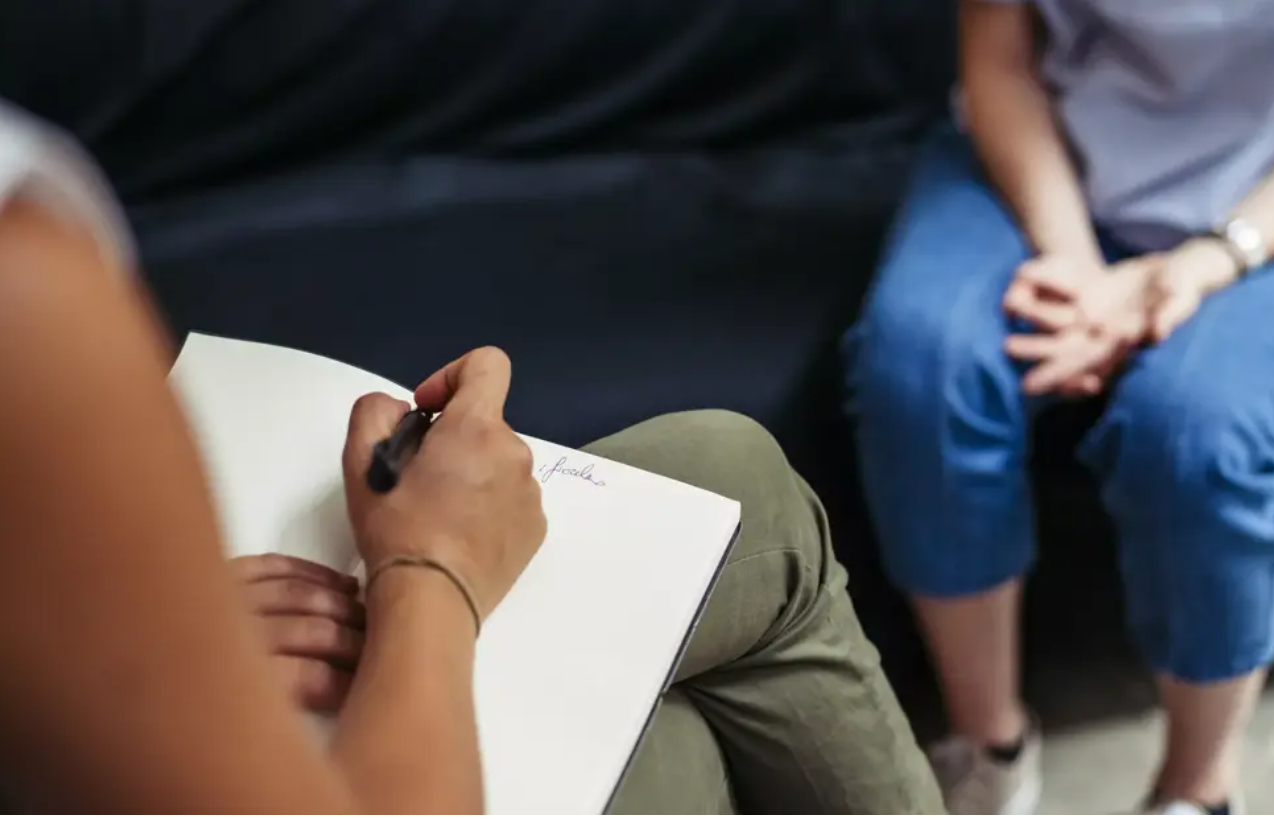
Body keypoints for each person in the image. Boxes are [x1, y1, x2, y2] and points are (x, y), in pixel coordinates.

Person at [0, 100, 943, 813]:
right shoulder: (25, 289)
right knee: (685, 718)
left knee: (728, 474)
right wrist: (430, 568)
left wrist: (129, 654)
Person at [847, 0, 1274, 814]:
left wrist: (1203, 263)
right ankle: (989, 747)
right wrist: (1079, 271)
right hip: (1040, 170)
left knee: (1196, 434)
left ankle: (1198, 791)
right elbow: (1000, 66)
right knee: (921, 373)